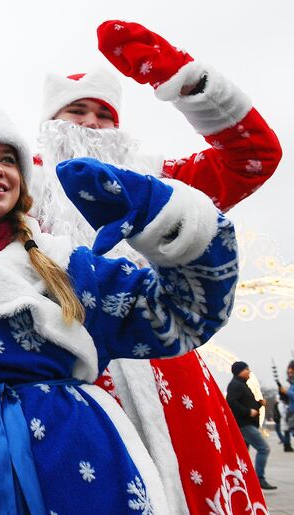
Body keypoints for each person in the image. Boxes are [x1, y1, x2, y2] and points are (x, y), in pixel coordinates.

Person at [0, 106, 238, 514]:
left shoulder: (71, 267)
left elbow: (186, 312)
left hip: (88, 468)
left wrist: (156, 211)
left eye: (8, 159)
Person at [30, 20, 280, 512]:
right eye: (75, 110)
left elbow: (254, 157)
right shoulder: (21, 191)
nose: (90, 123)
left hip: (175, 377)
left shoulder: (160, 185)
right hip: (70, 384)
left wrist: (183, 80)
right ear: (49, 124)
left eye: (104, 113)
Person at [226, 362, 276, 489]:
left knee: (242, 454)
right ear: (239, 371)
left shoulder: (242, 385)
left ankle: (244, 479)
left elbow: (245, 403)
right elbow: (231, 402)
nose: (249, 371)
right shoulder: (236, 385)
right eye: (246, 369)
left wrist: (259, 404)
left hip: (246, 423)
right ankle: (259, 479)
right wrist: (248, 411)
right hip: (245, 425)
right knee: (264, 448)